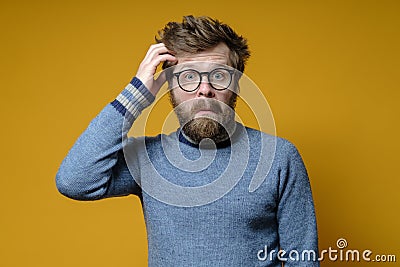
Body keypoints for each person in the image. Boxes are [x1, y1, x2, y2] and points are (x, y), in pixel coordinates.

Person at [56, 15, 319, 266]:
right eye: (189, 76)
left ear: (237, 85)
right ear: (169, 86)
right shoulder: (149, 157)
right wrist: (135, 94)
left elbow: (303, 259)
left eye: (218, 75)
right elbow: (74, 181)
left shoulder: (279, 157)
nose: (205, 88)